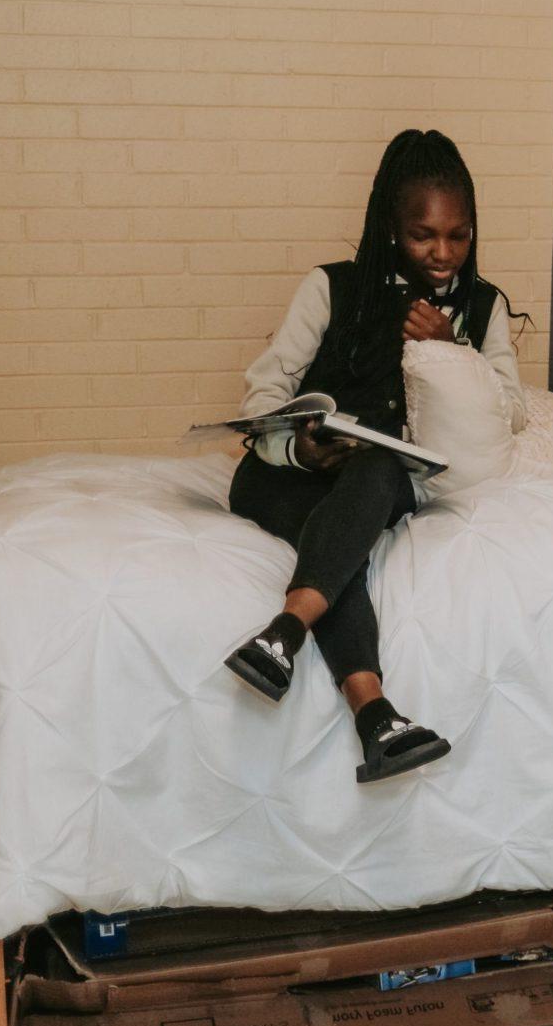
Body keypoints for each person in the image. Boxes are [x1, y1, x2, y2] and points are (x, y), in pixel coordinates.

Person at [221, 129, 526, 784]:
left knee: (374, 482)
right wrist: (298, 446)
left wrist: (452, 349)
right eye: (424, 235)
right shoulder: (332, 287)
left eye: (459, 235)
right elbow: (266, 390)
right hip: (286, 476)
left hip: (378, 479)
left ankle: (297, 643)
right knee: (341, 541)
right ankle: (373, 715)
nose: (444, 253)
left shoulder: (482, 306)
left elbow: (510, 412)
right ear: (392, 229)